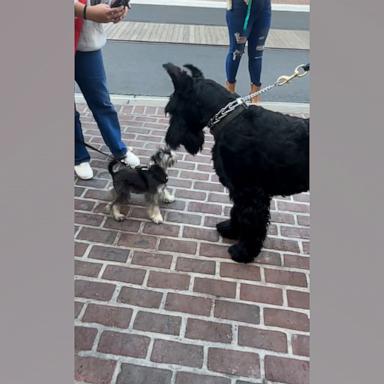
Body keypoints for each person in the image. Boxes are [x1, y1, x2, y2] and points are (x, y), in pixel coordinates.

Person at [74, 0, 140, 180]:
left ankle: (119, 149)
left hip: (87, 44)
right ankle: (78, 155)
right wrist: (85, 11)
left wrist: (118, 8)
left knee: (101, 101)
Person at [225, 0, 271, 103]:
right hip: (240, 8)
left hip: (263, 7)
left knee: (257, 53)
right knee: (236, 52)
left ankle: (255, 93)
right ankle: (229, 91)